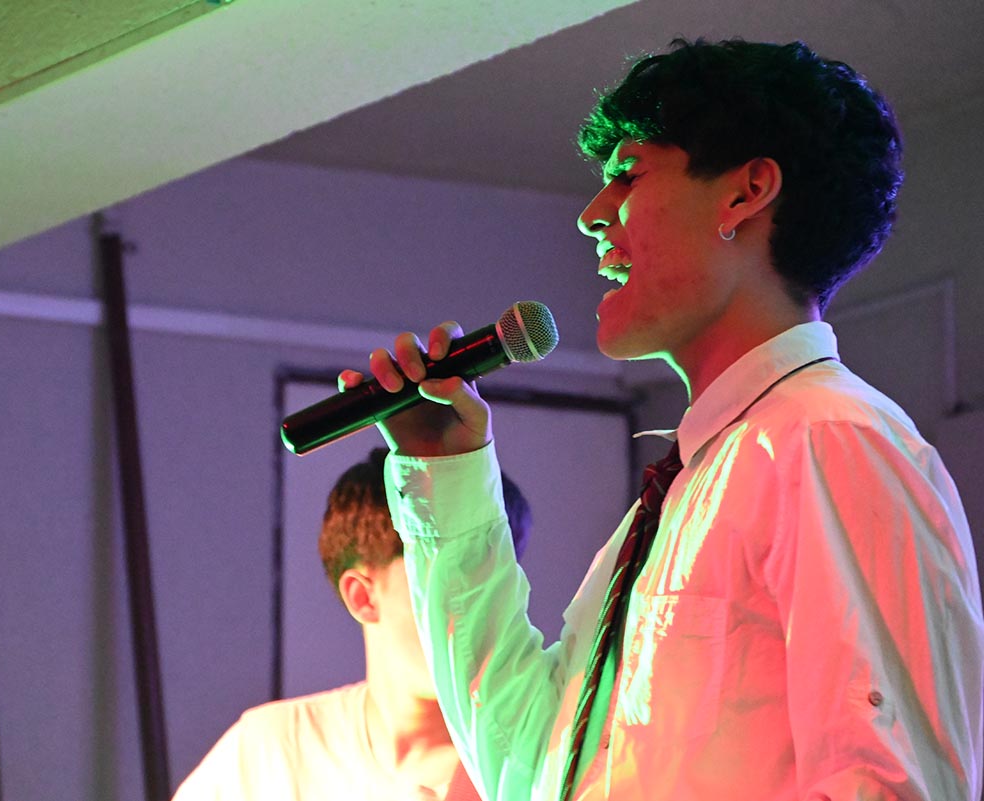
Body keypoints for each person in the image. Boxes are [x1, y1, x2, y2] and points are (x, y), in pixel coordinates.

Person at [343, 39, 984, 800]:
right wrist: (445, 475)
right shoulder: (691, 484)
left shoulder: (829, 439)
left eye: (627, 174)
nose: (590, 216)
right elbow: (526, 768)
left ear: (746, 193)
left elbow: (886, 784)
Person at [173, 447, 533, 801]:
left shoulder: (531, 767)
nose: (487, 607)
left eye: (499, 579)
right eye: (453, 579)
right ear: (362, 597)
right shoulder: (271, 752)